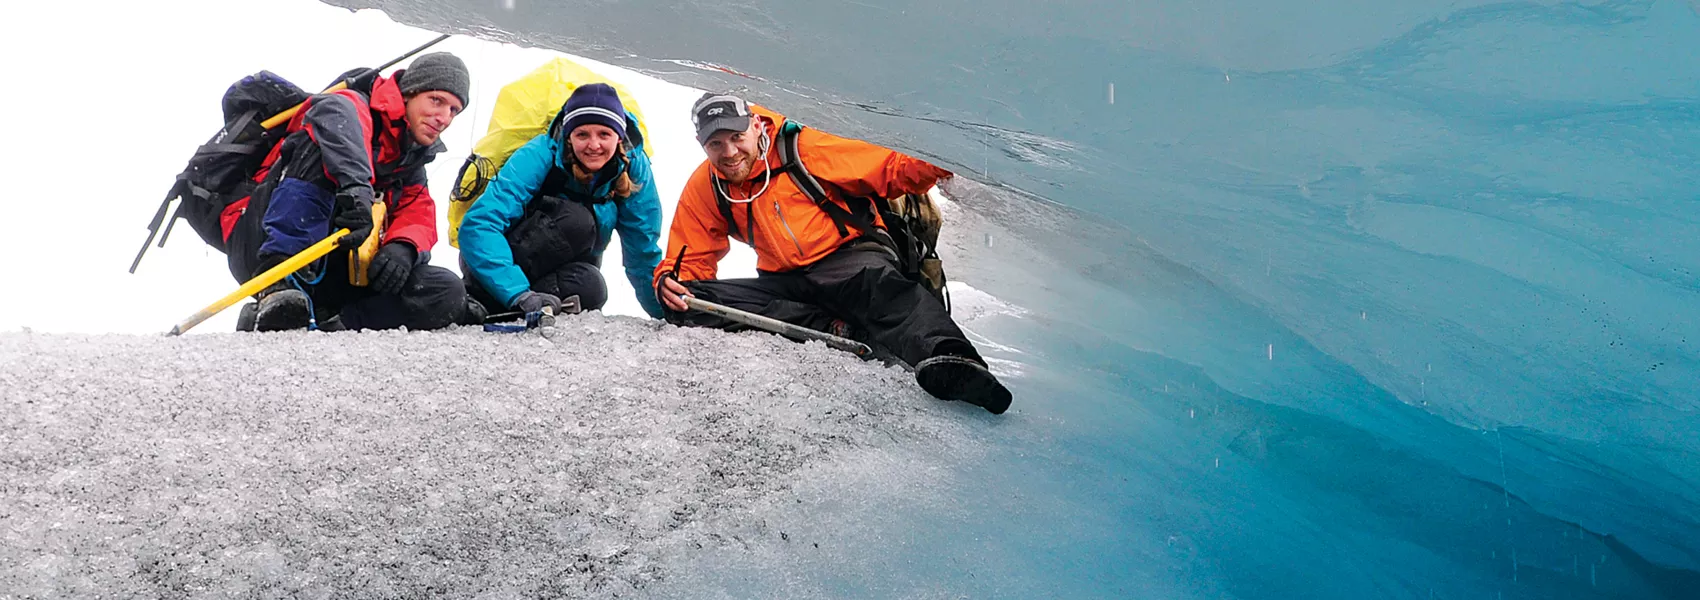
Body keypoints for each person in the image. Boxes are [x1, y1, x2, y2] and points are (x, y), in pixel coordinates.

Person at [653, 93, 1012, 414]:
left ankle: (952, 359)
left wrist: (946, 157)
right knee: (691, 300)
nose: (729, 153)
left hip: (849, 258)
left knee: (883, 290)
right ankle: (835, 327)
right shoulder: (708, 184)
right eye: (716, 143)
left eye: (736, 137)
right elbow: (689, 259)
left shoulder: (802, 147)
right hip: (785, 282)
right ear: (702, 145)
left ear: (756, 125)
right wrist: (671, 283)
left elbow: (889, 168)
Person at [222, 52, 479, 332]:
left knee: (446, 290)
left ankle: (335, 324)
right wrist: (357, 188)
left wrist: (403, 248)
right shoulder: (349, 104)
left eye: (454, 110)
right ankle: (277, 292)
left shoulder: (411, 157)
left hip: (336, 264)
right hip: (263, 242)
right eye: (436, 100)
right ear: (409, 92)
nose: (443, 117)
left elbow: (418, 212)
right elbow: (336, 122)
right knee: (319, 150)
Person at [459, 83, 664, 318]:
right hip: (493, 263)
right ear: (569, 137)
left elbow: (642, 245)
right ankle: (486, 298)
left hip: (552, 267)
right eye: (582, 134)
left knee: (591, 288)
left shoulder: (632, 165)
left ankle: (528, 307)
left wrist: (665, 314)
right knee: (576, 221)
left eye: (604, 134)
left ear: (619, 137)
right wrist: (518, 293)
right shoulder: (539, 154)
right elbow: (481, 223)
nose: (594, 145)